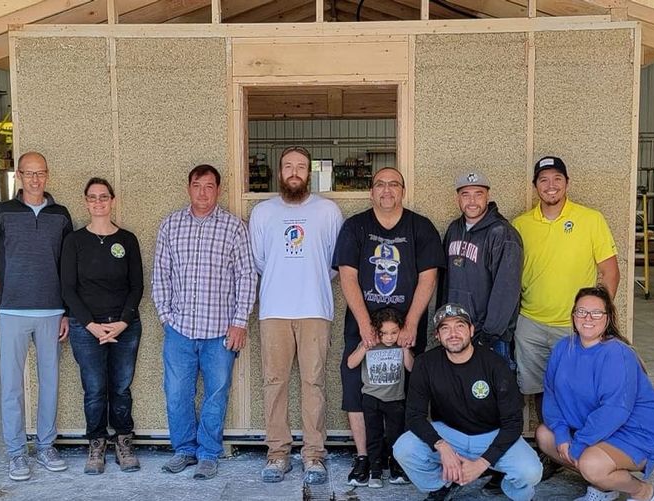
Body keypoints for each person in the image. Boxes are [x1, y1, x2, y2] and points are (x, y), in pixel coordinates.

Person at [0, 151, 73, 481]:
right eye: (29, 173)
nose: (35, 179)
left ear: (47, 175)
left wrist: (67, 311)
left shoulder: (60, 215)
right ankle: (15, 453)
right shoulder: (3, 212)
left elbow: (67, 266)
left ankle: (46, 445)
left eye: (41, 173)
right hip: (11, 309)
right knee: (12, 386)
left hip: (51, 310)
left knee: (50, 382)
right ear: (19, 176)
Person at [333, 166, 444, 486]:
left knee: (407, 391)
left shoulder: (420, 227)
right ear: (371, 191)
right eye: (379, 184)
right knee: (357, 388)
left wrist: (410, 324)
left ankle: (399, 456)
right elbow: (348, 275)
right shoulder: (355, 227)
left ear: (403, 191)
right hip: (362, 325)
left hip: (406, 327)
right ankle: (364, 458)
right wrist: (366, 326)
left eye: (393, 184)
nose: (386, 190)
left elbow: (428, 278)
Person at [512, 155, 620, 478]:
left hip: (574, 329)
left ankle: (586, 449)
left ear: (567, 183)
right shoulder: (520, 225)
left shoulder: (591, 219)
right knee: (536, 389)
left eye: (557, 179)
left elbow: (609, 272)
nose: (551, 185)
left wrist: (597, 321)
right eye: (543, 180)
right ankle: (550, 450)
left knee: (574, 390)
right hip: (530, 322)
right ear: (535, 187)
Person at [152, 164, 257, 480]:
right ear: (189, 188)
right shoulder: (170, 226)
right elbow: (161, 275)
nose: (202, 192)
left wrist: (239, 321)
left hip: (220, 332)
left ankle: (208, 453)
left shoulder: (234, 228)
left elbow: (247, 276)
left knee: (216, 393)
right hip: (180, 330)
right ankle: (184, 450)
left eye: (209, 186)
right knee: (176, 393)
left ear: (218, 190)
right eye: (197, 185)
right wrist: (167, 318)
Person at [249, 146, 343, 485]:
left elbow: (334, 263)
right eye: (287, 166)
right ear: (279, 172)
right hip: (274, 309)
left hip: (315, 309)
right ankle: (278, 454)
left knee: (313, 383)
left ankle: (314, 454)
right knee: (274, 383)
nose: (294, 172)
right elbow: (259, 262)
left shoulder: (328, 211)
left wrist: (308, 279)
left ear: (309, 173)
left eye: (300, 167)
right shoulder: (262, 212)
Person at [393, 303, 542, 501]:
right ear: (438, 335)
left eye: (460, 326)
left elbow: (513, 422)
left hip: (491, 434)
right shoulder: (425, 363)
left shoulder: (495, 364)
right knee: (403, 448)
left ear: (471, 330)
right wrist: (442, 446)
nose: (453, 333)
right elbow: (414, 416)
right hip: (449, 434)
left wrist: (482, 463)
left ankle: (509, 486)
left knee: (530, 471)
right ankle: (442, 484)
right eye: (445, 328)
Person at [538, 287, 654, 501]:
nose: (588, 318)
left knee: (590, 463)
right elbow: (551, 393)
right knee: (546, 437)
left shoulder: (617, 353)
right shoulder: (563, 348)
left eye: (596, 313)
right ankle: (604, 486)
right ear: (573, 316)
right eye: (581, 311)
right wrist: (562, 434)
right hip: (599, 429)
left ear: (607, 318)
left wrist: (579, 444)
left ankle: (642, 492)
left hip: (638, 430)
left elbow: (615, 410)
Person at [61, 177, 144, 475]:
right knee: (94, 389)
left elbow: (137, 287)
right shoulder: (74, 241)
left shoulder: (127, 240)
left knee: (121, 387)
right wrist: (91, 325)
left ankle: (123, 441)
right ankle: (96, 443)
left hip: (125, 327)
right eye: (92, 197)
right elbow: (68, 288)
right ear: (86, 201)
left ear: (112, 200)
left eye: (104, 197)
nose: (98, 202)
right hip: (87, 330)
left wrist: (122, 322)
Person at [439, 170, 522, 368]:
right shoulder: (453, 229)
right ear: (457, 197)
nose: (472, 201)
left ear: (488, 195)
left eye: (478, 194)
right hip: (455, 333)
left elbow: (506, 290)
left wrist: (488, 334)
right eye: (465, 194)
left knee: (489, 394)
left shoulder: (502, 233)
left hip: (489, 338)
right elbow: (445, 281)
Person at [346, 307, 414, 488]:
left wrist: (406, 350)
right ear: (377, 331)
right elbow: (351, 363)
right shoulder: (369, 344)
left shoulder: (400, 346)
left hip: (395, 399)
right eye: (384, 333)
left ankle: (395, 466)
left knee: (395, 435)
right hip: (371, 398)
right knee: (373, 436)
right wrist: (365, 346)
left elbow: (411, 368)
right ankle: (375, 471)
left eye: (394, 332)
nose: (389, 337)